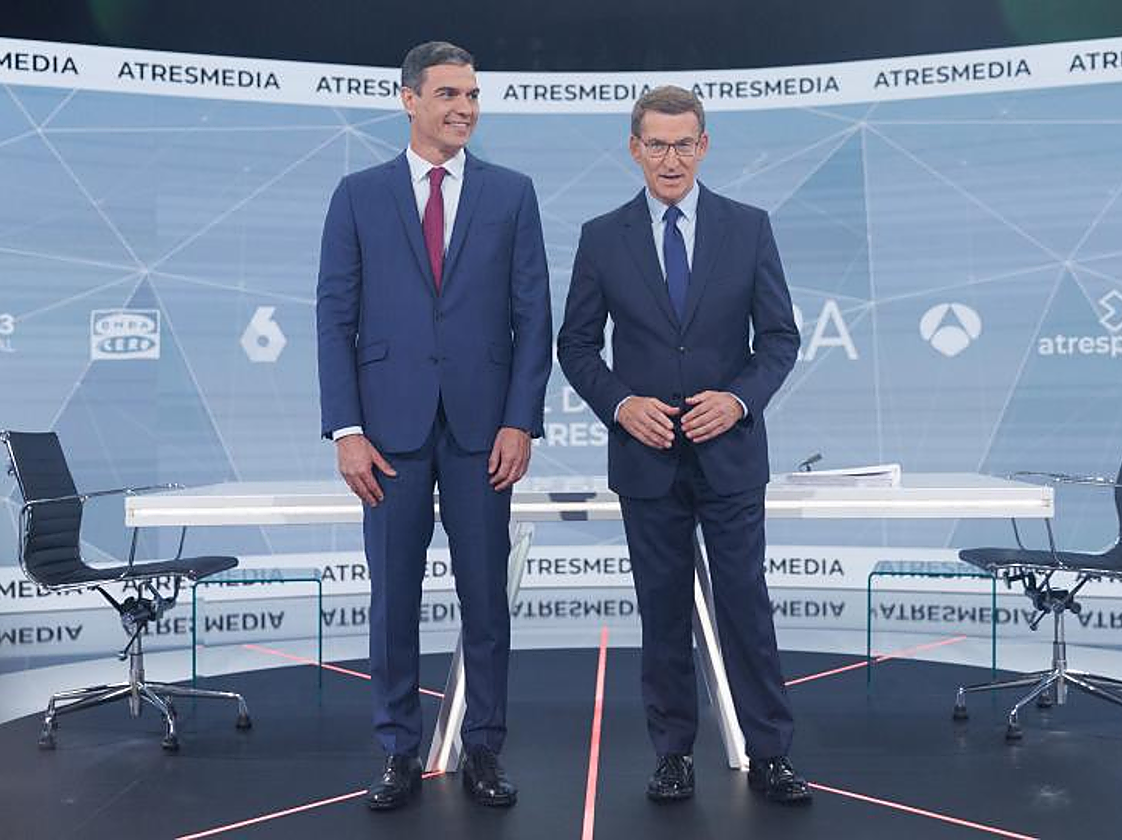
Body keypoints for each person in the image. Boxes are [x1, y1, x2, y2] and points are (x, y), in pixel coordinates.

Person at [557, 86, 809, 804]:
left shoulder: (749, 227)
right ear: (634, 147)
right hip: (646, 460)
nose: (671, 158)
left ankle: (771, 753)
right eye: (657, 144)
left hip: (730, 458)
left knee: (745, 607)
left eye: (684, 143)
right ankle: (673, 754)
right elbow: (576, 345)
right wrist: (620, 403)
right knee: (661, 612)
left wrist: (737, 400)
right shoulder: (602, 236)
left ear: (704, 146)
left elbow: (779, 339)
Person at [316, 41, 552, 810]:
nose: (464, 109)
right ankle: (396, 752)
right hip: (385, 435)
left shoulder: (512, 193)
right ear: (409, 99)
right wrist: (345, 428)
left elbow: (532, 320)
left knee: (486, 597)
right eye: (449, 93)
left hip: (485, 432)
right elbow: (334, 318)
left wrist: (521, 421)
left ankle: (483, 749)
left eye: (474, 96)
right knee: (393, 599)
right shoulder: (357, 194)